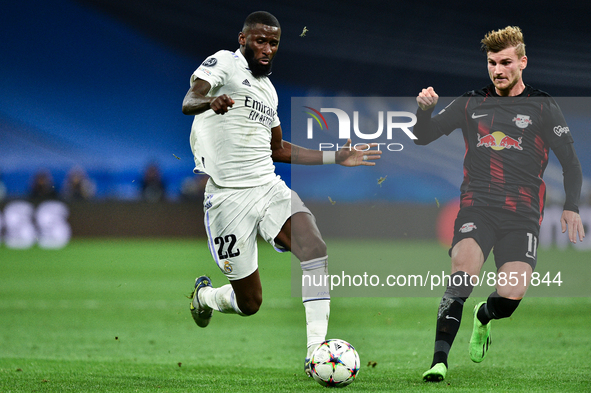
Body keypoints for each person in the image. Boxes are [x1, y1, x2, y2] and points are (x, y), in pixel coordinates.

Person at [181, 11, 381, 376]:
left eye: (274, 43)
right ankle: (206, 298)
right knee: (250, 303)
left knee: (313, 247)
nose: (268, 49)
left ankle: (315, 352)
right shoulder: (224, 63)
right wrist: (210, 102)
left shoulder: (268, 91)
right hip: (227, 198)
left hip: (268, 185)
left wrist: (336, 156)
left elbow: (277, 149)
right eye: (260, 41)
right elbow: (188, 101)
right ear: (243, 40)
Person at [413, 26, 585, 382]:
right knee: (462, 275)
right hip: (477, 207)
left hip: (522, 216)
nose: (498, 69)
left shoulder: (543, 105)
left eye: (506, 62)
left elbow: (570, 161)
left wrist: (571, 205)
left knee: (510, 295)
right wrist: (423, 112)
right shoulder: (470, 102)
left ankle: (484, 317)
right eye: (492, 63)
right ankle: (439, 361)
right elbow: (423, 136)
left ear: (523, 62)